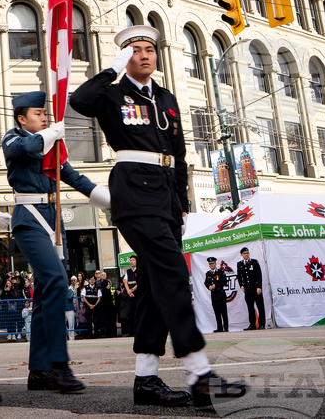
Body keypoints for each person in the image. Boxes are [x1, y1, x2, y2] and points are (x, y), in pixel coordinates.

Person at [69, 25, 246, 408]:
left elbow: (178, 154)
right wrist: (112, 69)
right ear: (124, 57)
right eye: (135, 49)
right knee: (173, 274)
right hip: (134, 192)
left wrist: (180, 203)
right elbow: (79, 101)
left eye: (149, 48)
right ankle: (200, 375)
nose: (145, 54)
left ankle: (146, 380)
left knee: (152, 286)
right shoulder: (112, 94)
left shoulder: (165, 98)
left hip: (165, 198)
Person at [2, 90, 102, 393]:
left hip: (53, 220)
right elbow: (28, 146)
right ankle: (59, 365)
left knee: (46, 294)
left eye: (45, 113)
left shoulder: (50, 146)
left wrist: (109, 198)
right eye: (38, 113)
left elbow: (74, 177)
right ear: (22, 118)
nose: (45, 117)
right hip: (29, 219)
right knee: (58, 281)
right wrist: (51, 133)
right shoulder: (13, 139)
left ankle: (39, 371)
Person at [237, 247, 266, 330]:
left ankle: (262, 324)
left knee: (260, 306)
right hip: (247, 289)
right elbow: (239, 276)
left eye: (247, 253)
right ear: (241, 254)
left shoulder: (254, 262)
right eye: (244, 253)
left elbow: (259, 275)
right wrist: (241, 285)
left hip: (255, 288)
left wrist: (259, 287)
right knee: (250, 307)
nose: (246, 254)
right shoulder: (240, 264)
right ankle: (252, 324)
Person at [205, 258, 229, 333]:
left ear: (215, 264)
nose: (211, 265)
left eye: (212, 263)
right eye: (210, 264)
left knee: (223, 312)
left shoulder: (220, 272)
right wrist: (208, 286)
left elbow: (224, 282)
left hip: (220, 294)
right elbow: (206, 282)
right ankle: (219, 327)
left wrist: (216, 285)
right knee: (217, 312)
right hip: (214, 295)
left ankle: (226, 327)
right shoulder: (208, 273)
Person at [122, 256, 138, 337]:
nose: (131, 262)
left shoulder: (139, 270)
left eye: (133, 260)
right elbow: (125, 282)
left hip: (137, 294)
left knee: (138, 313)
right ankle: (130, 332)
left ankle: (139, 331)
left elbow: (140, 282)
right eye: (130, 260)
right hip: (130, 295)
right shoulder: (128, 271)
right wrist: (128, 291)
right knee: (129, 313)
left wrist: (132, 290)